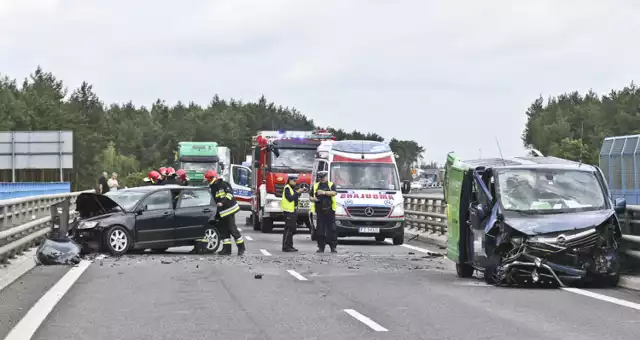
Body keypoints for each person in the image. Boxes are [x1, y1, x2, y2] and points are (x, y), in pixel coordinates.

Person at [204, 170, 246, 256]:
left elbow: (229, 194)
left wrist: (222, 202)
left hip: (229, 210)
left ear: (213, 178)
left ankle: (241, 248)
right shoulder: (213, 187)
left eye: (208, 180)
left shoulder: (223, 184)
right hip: (221, 212)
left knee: (232, 229)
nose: (208, 181)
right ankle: (226, 250)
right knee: (223, 231)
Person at [310, 171, 338, 253]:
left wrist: (324, 192)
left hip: (330, 211)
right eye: (320, 177)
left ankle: (333, 247)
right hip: (320, 211)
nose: (322, 179)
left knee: (332, 229)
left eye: (323, 177)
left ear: (326, 177)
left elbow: (334, 193)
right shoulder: (315, 186)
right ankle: (321, 247)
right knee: (320, 230)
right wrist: (313, 199)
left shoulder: (330, 184)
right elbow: (310, 197)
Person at [281, 174, 306, 252]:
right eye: (294, 181)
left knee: (292, 229)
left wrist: (299, 192)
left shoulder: (292, 188)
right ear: (289, 180)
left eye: (296, 181)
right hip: (288, 211)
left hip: (293, 211)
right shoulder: (287, 188)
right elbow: (290, 198)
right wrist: (297, 192)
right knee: (289, 229)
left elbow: (295, 197)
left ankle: (290, 245)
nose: (295, 182)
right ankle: (285, 246)